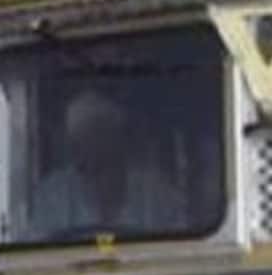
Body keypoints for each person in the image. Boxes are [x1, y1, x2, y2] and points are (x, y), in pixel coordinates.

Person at [27, 87, 184, 240]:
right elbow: (35, 246)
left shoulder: (156, 194)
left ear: (120, 143)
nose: (95, 146)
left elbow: (183, 243)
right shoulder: (52, 197)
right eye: (86, 137)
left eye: (102, 134)